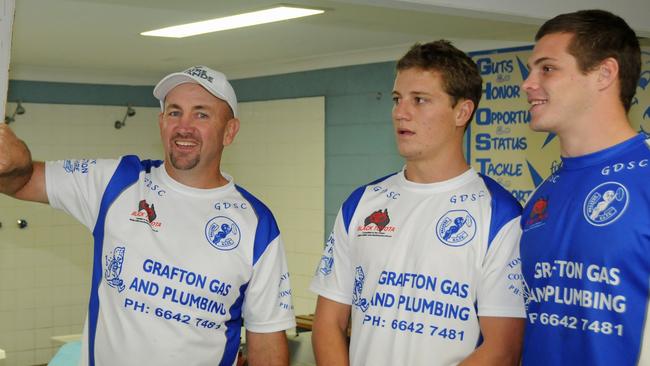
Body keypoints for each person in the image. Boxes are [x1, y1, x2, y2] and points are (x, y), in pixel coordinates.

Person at [0, 65, 295, 366]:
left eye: (201, 114)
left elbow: (267, 343)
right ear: (161, 122)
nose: (184, 126)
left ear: (229, 131)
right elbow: (22, 180)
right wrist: (16, 161)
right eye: (174, 112)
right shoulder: (116, 182)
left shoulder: (256, 224)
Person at [310, 40, 526, 366]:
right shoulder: (362, 203)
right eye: (397, 99)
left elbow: (502, 350)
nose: (400, 112)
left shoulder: (500, 214)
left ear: (462, 111)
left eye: (420, 100)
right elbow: (328, 323)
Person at [519, 9, 649, 366]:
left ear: (604, 73)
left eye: (547, 68)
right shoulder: (542, 195)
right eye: (531, 69)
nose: (527, 83)